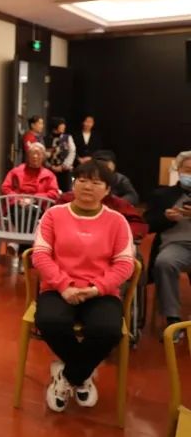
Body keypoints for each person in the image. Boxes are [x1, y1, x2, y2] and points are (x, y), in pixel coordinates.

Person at [32, 160, 135, 412]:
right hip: (58, 288)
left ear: (107, 190)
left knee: (108, 330)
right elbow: (40, 255)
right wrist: (64, 285)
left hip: (101, 292)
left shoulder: (117, 221)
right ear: (74, 183)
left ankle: (69, 375)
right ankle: (83, 372)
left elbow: (124, 264)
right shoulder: (54, 215)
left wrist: (97, 288)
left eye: (97, 182)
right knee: (49, 322)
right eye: (82, 180)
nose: (88, 186)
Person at [145, 150, 191, 340]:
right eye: (187, 170)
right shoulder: (163, 195)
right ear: (178, 170)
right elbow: (148, 224)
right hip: (175, 245)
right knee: (164, 262)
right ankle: (173, 320)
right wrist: (166, 218)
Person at [45, 117, 76, 192]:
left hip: (65, 169)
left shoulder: (67, 137)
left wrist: (64, 166)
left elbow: (72, 151)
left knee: (66, 191)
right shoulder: (46, 138)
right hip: (50, 169)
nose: (64, 126)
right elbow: (44, 154)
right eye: (61, 125)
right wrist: (51, 166)